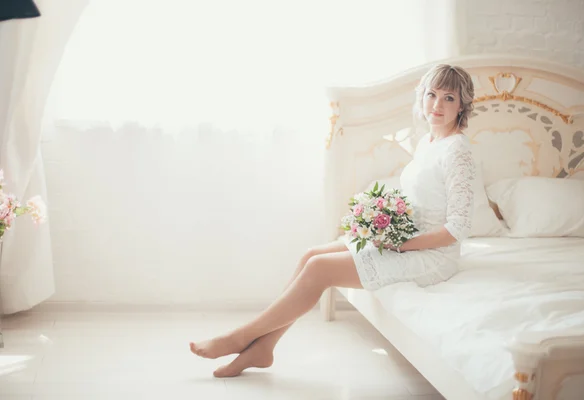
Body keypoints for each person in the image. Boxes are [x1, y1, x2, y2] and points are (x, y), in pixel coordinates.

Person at [189, 64, 477, 378]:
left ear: (462, 104)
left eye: (448, 98)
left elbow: (457, 228)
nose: (437, 105)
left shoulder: (458, 151)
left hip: (432, 257)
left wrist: (401, 244)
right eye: (432, 95)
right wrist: (384, 225)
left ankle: (241, 337)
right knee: (311, 255)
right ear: (422, 97)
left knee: (319, 268)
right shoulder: (428, 143)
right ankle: (264, 348)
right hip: (406, 240)